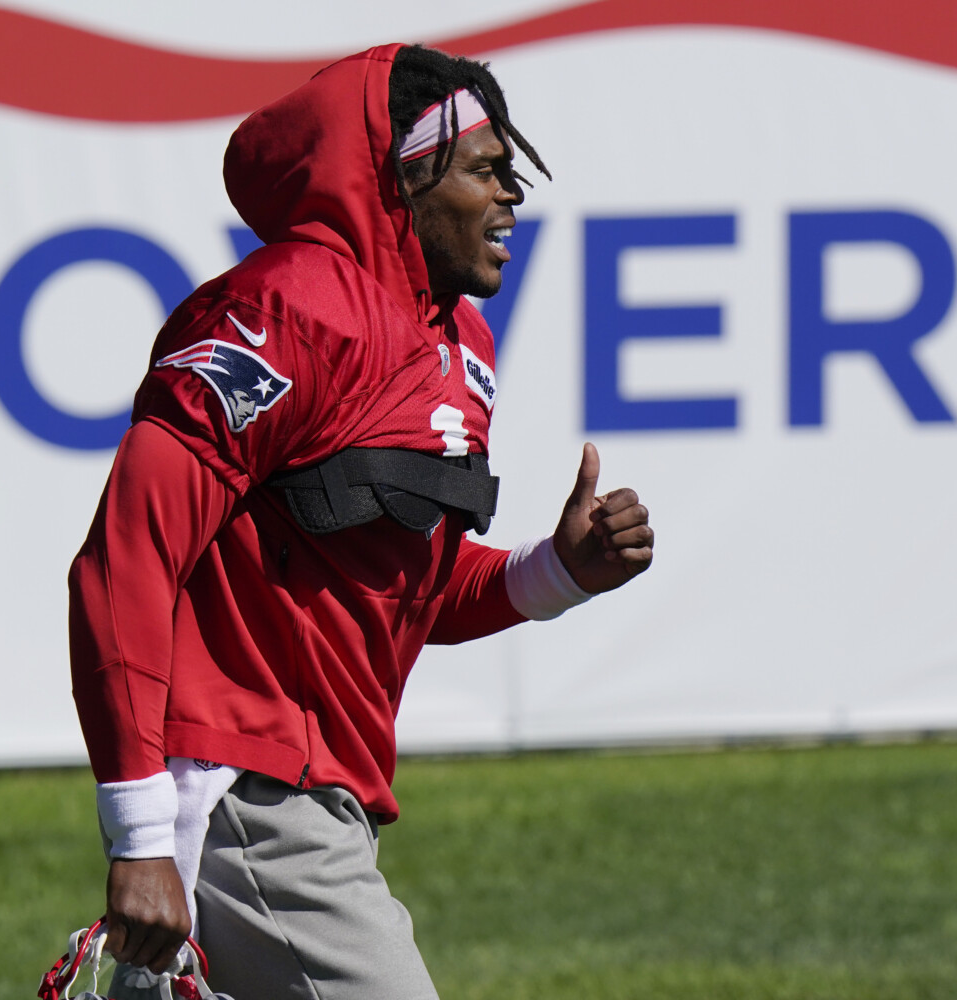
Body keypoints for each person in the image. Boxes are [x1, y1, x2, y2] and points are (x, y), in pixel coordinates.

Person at [68, 42, 654, 999]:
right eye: (483, 169)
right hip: (247, 791)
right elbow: (125, 556)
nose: (511, 196)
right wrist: (139, 835)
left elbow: (409, 587)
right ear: (402, 178)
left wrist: (560, 570)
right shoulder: (284, 309)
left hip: (325, 794)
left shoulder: (458, 341)